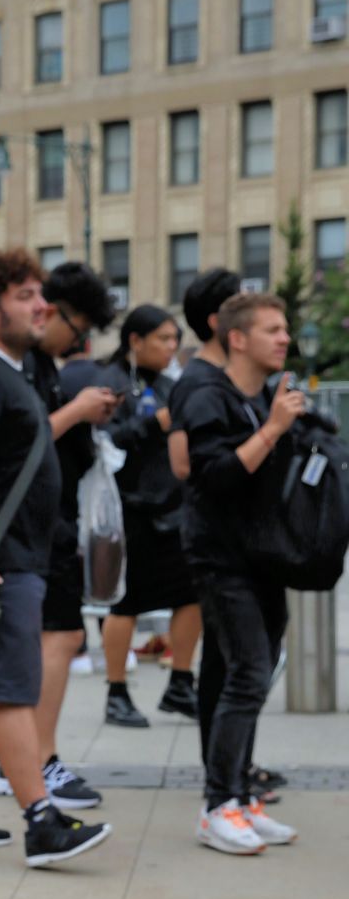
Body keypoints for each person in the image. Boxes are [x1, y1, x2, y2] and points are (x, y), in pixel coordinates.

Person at [0, 248, 111, 865]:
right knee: (13, 691)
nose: (42, 307)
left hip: (8, 560)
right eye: (25, 297)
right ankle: (42, 822)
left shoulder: (9, 369)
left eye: (41, 296)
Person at [181, 292, 302, 853]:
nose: (284, 338)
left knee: (257, 670)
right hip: (221, 558)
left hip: (262, 558)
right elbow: (212, 479)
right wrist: (273, 429)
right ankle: (217, 805)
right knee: (247, 672)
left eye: (285, 329)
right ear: (237, 338)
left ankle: (240, 795)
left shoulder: (257, 396)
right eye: (272, 329)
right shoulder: (208, 395)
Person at [21, 260, 120, 807]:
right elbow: (22, 441)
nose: (77, 340)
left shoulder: (39, 364)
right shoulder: (18, 365)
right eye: (77, 328)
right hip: (32, 531)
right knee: (54, 641)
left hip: (42, 526)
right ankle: (39, 760)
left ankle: (30, 760)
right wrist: (79, 410)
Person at [98, 304, 202, 728]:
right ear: (136, 341)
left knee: (191, 595)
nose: (171, 347)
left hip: (170, 511)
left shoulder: (165, 382)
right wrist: (154, 424)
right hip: (129, 512)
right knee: (126, 604)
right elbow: (105, 442)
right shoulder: (112, 382)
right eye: (163, 339)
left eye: (175, 339)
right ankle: (116, 691)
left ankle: (180, 682)